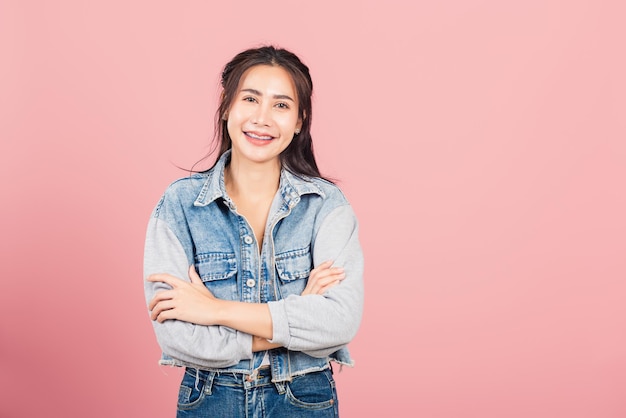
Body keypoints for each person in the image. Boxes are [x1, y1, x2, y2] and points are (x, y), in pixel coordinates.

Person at [143, 45, 364, 417]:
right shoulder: (179, 204)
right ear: (227, 106)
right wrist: (295, 322)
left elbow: (339, 322)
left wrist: (214, 310)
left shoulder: (325, 204)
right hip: (211, 400)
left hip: (304, 399)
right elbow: (177, 338)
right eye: (250, 99)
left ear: (299, 120)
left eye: (281, 105)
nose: (262, 118)